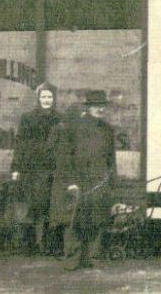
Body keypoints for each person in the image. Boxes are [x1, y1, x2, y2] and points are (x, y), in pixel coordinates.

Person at [50, 90, 117, 270]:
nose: (100, 109)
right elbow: (64, 157)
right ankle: (73, 258)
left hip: (99, 180)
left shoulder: (107, 130)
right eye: (96, 106)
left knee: (97, 220)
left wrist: (111, 183)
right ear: (87, 108)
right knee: (75, 221)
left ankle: (93, 258)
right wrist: (71, 181)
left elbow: (111, 160)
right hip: (79, 180)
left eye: (102, 106)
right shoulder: (73, 128)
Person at [10, 82, 61, 254]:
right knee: (30, 206)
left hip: (51, 169)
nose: (47, 100)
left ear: (54, 99)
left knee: (49, 206)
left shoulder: (59, 119)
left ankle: (47, 245)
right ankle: (28, 245)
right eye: (43, 96)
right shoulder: (28, 118)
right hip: (31, 169)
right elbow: (20, 145)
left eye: (50, 97)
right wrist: (16, 168)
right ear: (38, 98)